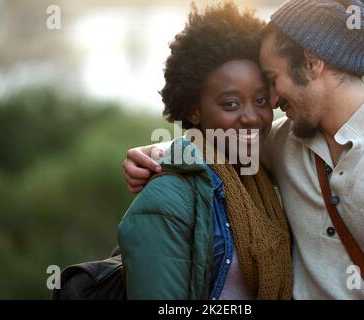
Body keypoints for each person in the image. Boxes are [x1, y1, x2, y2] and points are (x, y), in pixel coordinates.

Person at [124, 0, 364, 299]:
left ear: (311, 63)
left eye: (272, 80)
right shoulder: (284, 140)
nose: (270, 102)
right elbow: (216, 141)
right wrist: (159, 151)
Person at [118, 2, 292, 300]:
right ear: (195, 111)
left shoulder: (255, 177)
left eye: (261, 100)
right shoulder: (166, 200)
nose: (252, 117)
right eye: (231, 104)